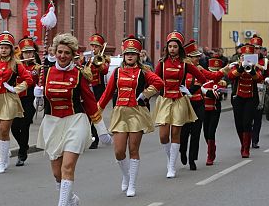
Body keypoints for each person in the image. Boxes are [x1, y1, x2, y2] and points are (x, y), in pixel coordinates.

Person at [35, 33, 112, 206]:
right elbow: (40, 104)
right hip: (52, 123)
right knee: (56, 173)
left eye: (66, 53)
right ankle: (71, 199)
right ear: (54, 52)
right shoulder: (46, 73)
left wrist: (101, 129)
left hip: (75, 122)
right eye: (59, 52)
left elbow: (89, 102)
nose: (62, 56)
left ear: (72, 54)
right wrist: (37, 96)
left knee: (67, 167)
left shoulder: (79, 74)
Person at [98, 35, 163, 196]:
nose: (130, 56)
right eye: (127, 53)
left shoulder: (143, 72)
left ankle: (132, 184)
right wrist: (96, 110)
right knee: (119, 151)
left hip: (136, 113)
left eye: (133, 53)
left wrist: (146, 94)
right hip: (120, 112)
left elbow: (159, 83)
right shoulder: (117, 72)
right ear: (123, 55)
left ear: (138, 55)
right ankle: (126, 176)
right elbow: (107, 94)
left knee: (133, 149)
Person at [154, 31, 207, 178]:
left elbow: (202, 78)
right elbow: (154, 80)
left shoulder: (185, 64)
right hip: (164, 99)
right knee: (163, 136)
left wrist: (189, 90)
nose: (172, 49)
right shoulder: (161, 63)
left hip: (179, 100)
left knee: (175, 133)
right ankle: (170, 157)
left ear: (179, 48)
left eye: (175, 46)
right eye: (170, 46)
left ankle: (171, 167)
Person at [0, 32, 33, 174]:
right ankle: (5, 153)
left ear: (11, 49)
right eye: (1, 47)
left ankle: (2, 161)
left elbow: (28, 80)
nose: (3, 50)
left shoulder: (16, 64)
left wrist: (16, 89)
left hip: (8, 99)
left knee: (4, 130)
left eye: (6, 47)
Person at [179, 40, 228, 169]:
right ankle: (182, 151)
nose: (198, 59)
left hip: (198, 104)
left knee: (196, 133)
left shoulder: (199, 69)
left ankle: (192, 159)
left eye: (198, 56)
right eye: (195, 57)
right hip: (185, 104)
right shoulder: (181, 69)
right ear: (188, 58)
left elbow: (212, 76)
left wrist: (224, 71)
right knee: (184, 134)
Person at [227, 43, 263, 158]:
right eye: (244, 55)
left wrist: (252, 70)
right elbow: (230, 76)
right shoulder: (236, 65)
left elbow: (259, 78)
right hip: (238, 97)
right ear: (241, 56)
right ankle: (243, 143)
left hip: (251, 98)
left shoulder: (256, 66)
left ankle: (246, 148)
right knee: (239, 123)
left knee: (247, 122)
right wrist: (241, 67)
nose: (245, 57)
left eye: (249, 55)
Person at [11, 37, 40, 166]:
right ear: (21, 53)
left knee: (25, 125)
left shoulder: (37, 67)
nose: (28, 54)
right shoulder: (16, 65)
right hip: (16, 100)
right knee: (14, 127)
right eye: (26, 52)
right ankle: (24, 145)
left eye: (30, 52)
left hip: (30, 100)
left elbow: (40, 82)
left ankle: (22, 154)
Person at [84, 33, 110, 149]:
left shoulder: (104, 58)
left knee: (95, 114)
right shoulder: (89, 59)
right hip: (89, 88)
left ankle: (96, 138)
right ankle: (91, 137)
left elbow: (104, 71)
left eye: (96, 46)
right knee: (87, 114)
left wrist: (98, 63)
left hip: (98, 88)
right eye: (92, 46)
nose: (94, 48)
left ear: (100, 47)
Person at [202, 57, 228, 165]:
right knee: (205, 133)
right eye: (212, 70)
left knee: (211, 132)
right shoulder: (203, 79)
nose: (214, 73)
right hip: (204, 109)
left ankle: (210, 156)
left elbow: (218, 95)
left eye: (216, 71)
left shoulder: (222, 82)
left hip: (214, 109)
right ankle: (211, 147)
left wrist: (205, 91)